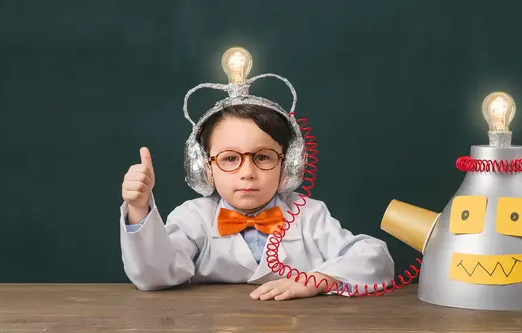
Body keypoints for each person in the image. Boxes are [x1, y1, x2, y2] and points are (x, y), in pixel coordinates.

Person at [118, 47, 394, 300]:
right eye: (230, 159)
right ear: (204, 167)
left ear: (289, 164)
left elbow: (376, 259)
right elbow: (154, 275)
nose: (247, 173)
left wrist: (317, 280)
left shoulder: (309, 215)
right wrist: (138, 208)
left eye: (263, 157)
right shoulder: (193, 218)